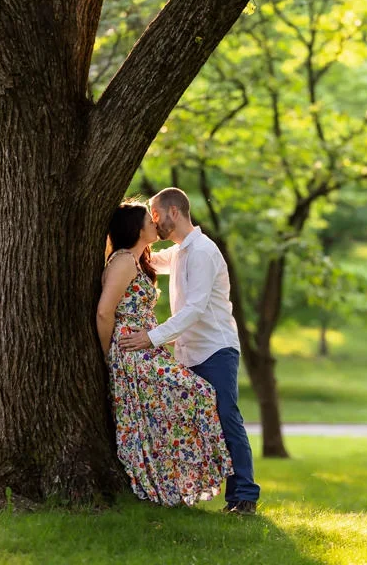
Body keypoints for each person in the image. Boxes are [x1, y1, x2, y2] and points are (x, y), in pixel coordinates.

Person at [119, 188, 261, 515]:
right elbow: (146, 258)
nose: (154, 222)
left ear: (173, 212)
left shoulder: (203, 252)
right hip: (189, 353)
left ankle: (244, 495)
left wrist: (151, 337)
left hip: (216, 350)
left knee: (227, 418)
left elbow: (196, 308)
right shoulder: (181, 250)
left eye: (155, 215)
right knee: (188, 424)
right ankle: (181, 492)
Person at [97, 201, 231, 507]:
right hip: (132, 351)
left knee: (172, 409)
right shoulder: (121, 262)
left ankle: (172, 483)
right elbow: (105, 313)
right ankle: (168, 481)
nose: (155, 222)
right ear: (136, 227)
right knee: (198, 392)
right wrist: (107, 357)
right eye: (149, 218)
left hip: (147, 347)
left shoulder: (137, 260)